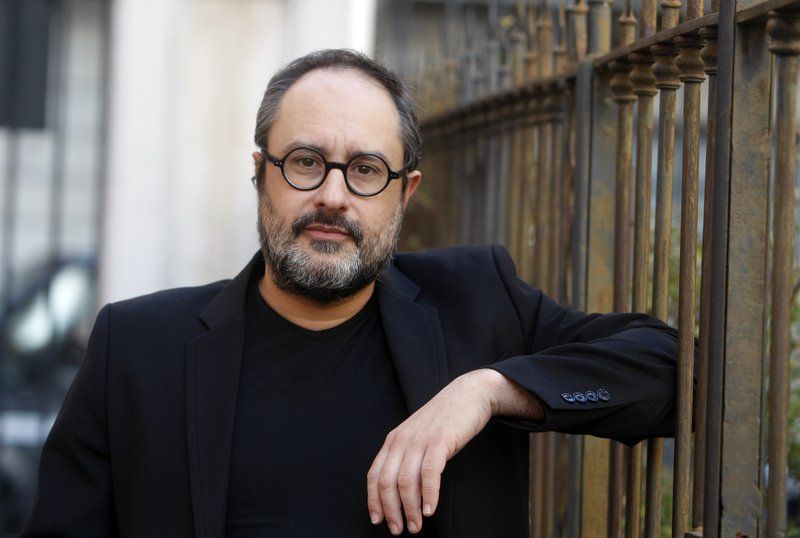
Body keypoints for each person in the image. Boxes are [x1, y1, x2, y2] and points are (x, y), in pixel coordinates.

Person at [22, 49, 682, 538]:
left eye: (365, 169)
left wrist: (487, 390)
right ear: (260, 174)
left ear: (405, 193)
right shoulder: (136, 349)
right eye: (306, 162)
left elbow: (674, 367)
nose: (333, 196)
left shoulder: (480, 304)